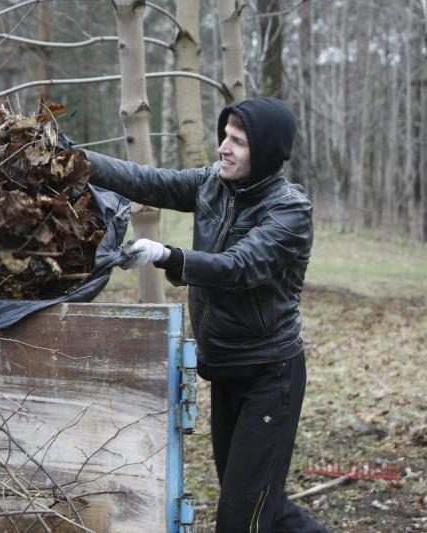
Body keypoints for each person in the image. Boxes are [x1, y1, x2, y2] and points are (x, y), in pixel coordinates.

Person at [81, 97, 327, 532]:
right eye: (225, 136)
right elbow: (149, 182)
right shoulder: (213, 183)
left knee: (239, 519)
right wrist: (78, 160)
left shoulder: (289, 210)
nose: (223, 148)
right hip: (227, 369)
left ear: (266, 151)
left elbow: (239, 267)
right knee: (266, 510)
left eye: (239, 141)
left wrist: (167, 255)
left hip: (270, 376)